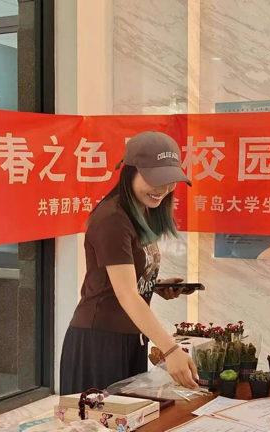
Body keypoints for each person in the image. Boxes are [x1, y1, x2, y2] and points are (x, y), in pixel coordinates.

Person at [60, 131, 198, 394]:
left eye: (170, 181)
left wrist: (154, 285)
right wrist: (171, 350)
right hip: (100, 343)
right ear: (129, 171)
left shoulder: (141, 211)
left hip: (131, 338)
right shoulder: (113, 219)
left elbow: (124, 279)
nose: (163, 189)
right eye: (155, 179)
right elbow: (126, 294)